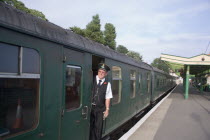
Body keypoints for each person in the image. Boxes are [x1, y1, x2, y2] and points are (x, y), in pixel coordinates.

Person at [90, 63, 113, 140]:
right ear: (97, 72)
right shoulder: (91, 79)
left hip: (100, 110)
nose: (101, 73)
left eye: (103, 72)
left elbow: (108, 98)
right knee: (89, 127)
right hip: (89, 108)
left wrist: (107, 109)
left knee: (98, 129)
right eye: (100, 71)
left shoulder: (108, 84)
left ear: (106, 74)